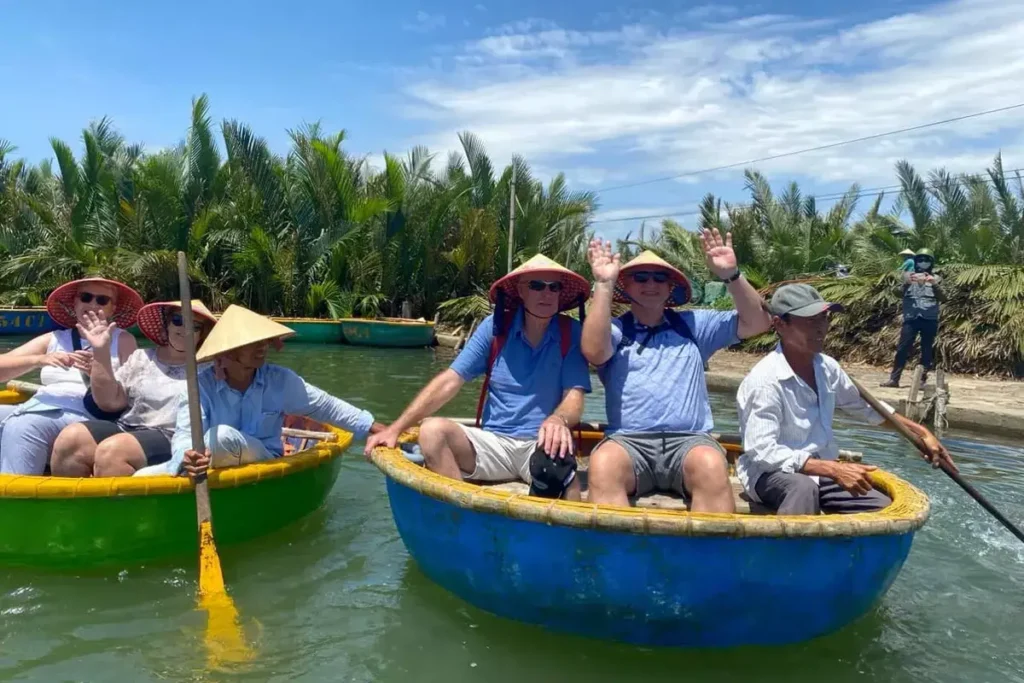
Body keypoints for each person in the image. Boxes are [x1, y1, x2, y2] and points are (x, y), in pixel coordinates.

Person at [365, 254, 593, 501]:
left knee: (562, 476)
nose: (546, 294)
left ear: (560, 294)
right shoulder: (494, 329)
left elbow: (574, 397)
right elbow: (450, 381)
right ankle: (462, 515)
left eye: (554, 287)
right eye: (537, 285)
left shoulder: (571, 333)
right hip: (493, 443)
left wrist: (558, 420)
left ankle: (563, 537)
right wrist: (397, 428)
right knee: (431, 431)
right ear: (521, 291)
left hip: (540, 443)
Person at [582, 230, 771, 511]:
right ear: (627, 286)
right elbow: (593, 350)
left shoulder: (694, 325)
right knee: (603, 463)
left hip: (690, 441)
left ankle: (706, 552)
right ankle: (618, 554)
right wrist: (604, 284)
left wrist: (731, 275)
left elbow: (758, 323)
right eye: (641, 278)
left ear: (671, 288)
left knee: (710, 464)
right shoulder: (616, 330)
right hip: (628, 441)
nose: (651, 284)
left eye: (660, 278)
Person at [736, 283, 956, 515]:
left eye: (824, 319)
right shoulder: (765, 381)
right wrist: (833, 469)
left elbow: (870, 409)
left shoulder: (827, 368)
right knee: (802, 488)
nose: (821, 329)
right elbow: (761, 451)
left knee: (884, 508)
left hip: (820, 473)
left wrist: (921, 434)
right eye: (810, 321)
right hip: (769, 474)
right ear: (780, 325)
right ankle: (787, 550)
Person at [138, 304, 385, 477]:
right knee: (140, 477)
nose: (262, 348)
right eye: (252, 343)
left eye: (263, 341)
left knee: (222, 436)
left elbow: (326, 406)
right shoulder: (200, 387)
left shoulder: (279, 380)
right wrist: (187, 456)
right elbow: (185, 433)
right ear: (227, 351)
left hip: (263, 458)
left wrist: (373, 427)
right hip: (207, 462)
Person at [49, 300, 217, 477]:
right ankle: (74, 504)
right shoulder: (141, 356)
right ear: (166, 324)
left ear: (202, 334)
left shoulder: (210, 368)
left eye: (195, 326)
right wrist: (102, 351)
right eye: (177, 320)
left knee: (113, 453)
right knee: (70, 439)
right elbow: (110, 402)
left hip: (173, 436)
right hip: (126, 426)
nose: (185, 329)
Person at [0, 278, 142, 474]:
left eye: (102, 300)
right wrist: (40, 359)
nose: (92, 304)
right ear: (75, 302)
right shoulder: (56, 338)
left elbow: (130, 393)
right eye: (86, 297)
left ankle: (15, 498)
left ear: (112, 308)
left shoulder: (123, 339)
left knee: (23, 426)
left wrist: (98, 370)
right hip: (42, 405)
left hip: (88, 412)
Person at [881, 248, 942, 388]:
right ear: (915, 261)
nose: (923, 262)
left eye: (926, 260)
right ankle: (894, 379)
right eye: (920, 259)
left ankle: (922, 380)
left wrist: (934, 284)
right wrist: (906, 283)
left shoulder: (937, 278)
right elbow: (896, 293)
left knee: (926, 350)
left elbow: (944, 297)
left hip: (930, 318)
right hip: (911, 318)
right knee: (902, 348)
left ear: (931, 262)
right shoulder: (907, 275)